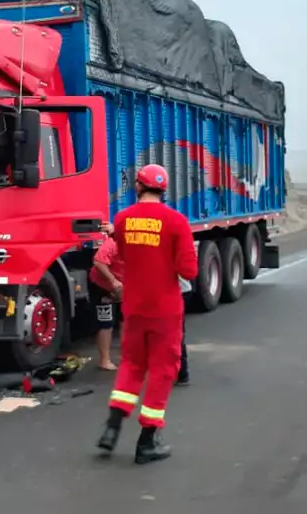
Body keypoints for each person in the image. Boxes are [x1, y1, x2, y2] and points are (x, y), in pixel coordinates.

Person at [96, 164, 198, 464]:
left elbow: (125, 255)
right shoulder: (177, 222)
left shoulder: (123, 219)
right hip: (165, 310)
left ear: (138, 187)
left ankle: (112, 429)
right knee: (164, 371)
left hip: (134, 307)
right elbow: (189, 270)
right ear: (163, 189)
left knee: (132, 365)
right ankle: (147, 440)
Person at [88, 234, 125, 371]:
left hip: (124, 285)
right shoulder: (113, 243)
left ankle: (126, 356)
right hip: (102, 285)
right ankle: (104, 360)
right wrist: (113, 281)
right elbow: (98, 262)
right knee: (105, 322)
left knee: (126, 319)